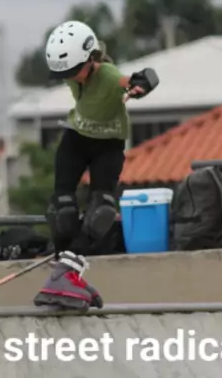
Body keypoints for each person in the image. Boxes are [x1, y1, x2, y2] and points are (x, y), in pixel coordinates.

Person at [34, 20, 159, 311]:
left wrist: (140, 84)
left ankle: (67, 271)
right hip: (75, 140)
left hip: (108, 146)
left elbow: (139, 79)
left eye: (73, 71)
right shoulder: (73, 69)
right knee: (62, 210)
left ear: (91, 60)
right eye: (65, 74)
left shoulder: (108, 74)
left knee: (101, 211)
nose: (71, 78)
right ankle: (63, 272)